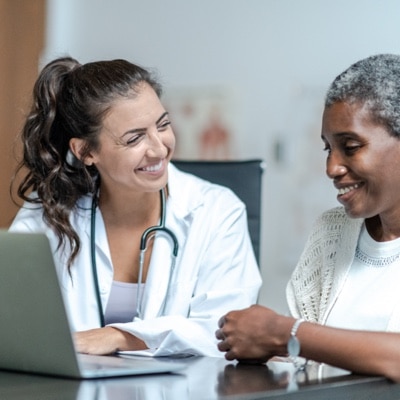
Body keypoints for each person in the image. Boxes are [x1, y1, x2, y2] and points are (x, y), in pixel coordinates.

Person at [9, 56, 261, 357]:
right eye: (135, 138)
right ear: (86, 150)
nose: (159, 148)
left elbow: (228, 332)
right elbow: (12, 320)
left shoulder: (217, 211)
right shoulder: (48, 214)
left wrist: (117, 336)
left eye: (163, 125)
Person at [216, 53, 400, 382]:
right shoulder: (331, 232)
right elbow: (303, 360)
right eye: (328, 148)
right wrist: (272, 346)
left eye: (351, 146)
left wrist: (283, 331)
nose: (332, 168)